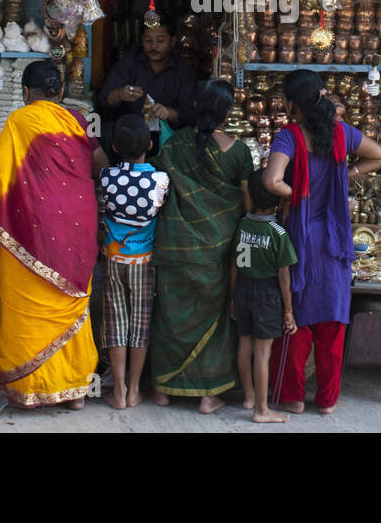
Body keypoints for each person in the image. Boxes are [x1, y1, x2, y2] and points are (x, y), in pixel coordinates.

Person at [0, 61, 108, 409]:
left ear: (25, 92)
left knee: (27, 305)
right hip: (78, 222)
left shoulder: (21, 120)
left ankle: (30, 391)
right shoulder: (78, 120)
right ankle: (75, 392)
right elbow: (100, 163)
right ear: (59, 92)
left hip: (32, 227)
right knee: (73, 306)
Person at [261, 69, 381, 415]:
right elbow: (380, 155)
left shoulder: (289, 137)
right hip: (335, 240)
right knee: (332, 322)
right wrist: (347, 174)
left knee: (299, 320)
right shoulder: (341, 133)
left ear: (292, 104)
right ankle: (328, 400)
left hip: (302, 238)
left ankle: (292, 396)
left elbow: (272, 181)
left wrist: (296, 194)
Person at [148, 79, 252, 413]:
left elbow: (160, 189)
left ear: (195, 106)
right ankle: (209, 395)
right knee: (215, 319)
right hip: (217, 248)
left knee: (171, 314)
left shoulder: (174, 145)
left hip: (175, 244)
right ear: (228, 111)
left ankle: (163, 389)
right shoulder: (238, 152)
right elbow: (248, 204)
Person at [99, 114, 169, 410]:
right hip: (146, 260)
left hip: (115, 259)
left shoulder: (106, 177)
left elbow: (104, 208)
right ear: (150, 145)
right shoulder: (159, 179)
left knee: (116, 321)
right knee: (141, 322)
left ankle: (118, 389)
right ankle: (135, 389)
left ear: (114, 146)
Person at [230, 170, 298, 425]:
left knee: (244, 346)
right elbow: (284, 277)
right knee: (262, 353)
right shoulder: (278, 233)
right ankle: (261, 409)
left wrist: (233, 298)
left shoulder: (242, 225)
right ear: (279, 201)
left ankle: (249, 396)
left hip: (243, 290)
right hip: (266, 295)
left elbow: (234, 264)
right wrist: (288, 310)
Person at [99, 14, 199, 150]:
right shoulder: (129, 63)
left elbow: (189, 114)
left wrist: (167, 112)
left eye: (160, 40)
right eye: (148, 40)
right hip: (129, 134)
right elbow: (104, 100)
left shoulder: (183, 71)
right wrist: (120, 94)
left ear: (172, 41)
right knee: (104, 132)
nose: (153, 46)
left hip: (166, 136)